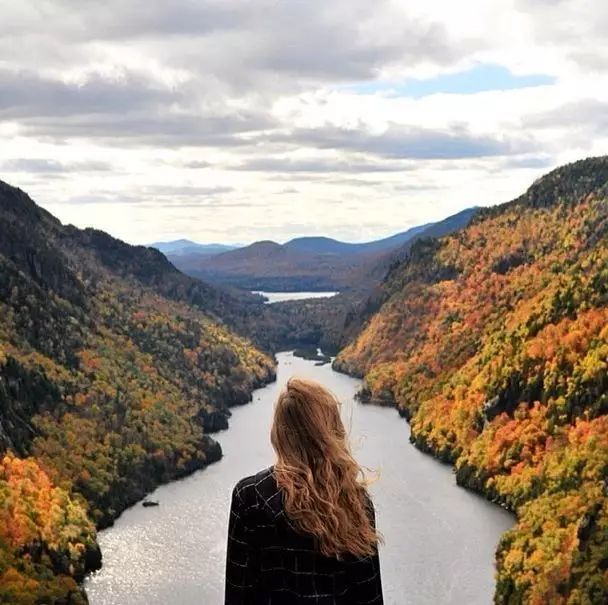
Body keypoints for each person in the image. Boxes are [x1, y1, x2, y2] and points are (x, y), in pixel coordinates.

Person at [225, 377, 383, 604]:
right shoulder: (353, 499)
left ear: (279, 431)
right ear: (330, 429)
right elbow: (370, 597)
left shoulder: (250, 496)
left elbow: (237, 595)